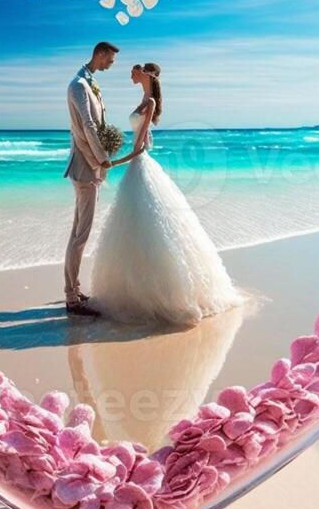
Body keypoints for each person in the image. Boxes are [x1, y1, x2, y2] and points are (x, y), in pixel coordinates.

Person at [89, 62, 246, 326]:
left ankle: (156, 294)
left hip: (140, 164)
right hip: (138, 166)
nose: (131, 73)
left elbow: (140, 146)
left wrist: (116, 162)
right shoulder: (144, 99)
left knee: (149, 228)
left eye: (135, 70)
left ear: (146, 75)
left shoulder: (149, 102)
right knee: (136, 230)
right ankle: (133, 290)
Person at [63, 41, 119, 315]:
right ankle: (72, 299)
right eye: (110, 59)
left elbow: (96, 124)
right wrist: (102, 158)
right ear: (100, 54)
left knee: (78, 233)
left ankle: (73, 291)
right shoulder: (78, 85)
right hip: (85, 168)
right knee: (81, 235)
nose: (111, 64)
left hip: (88, 167)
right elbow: (87, 125)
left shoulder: (89, 83)